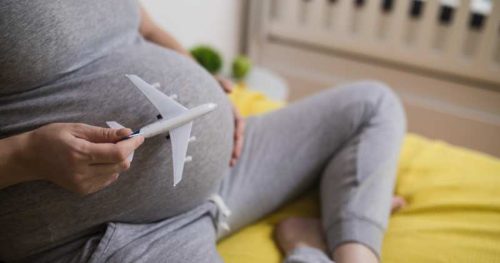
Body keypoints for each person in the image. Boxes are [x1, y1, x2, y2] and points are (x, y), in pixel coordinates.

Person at [0, 1, 406, 262]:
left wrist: (204, 81)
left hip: (225, 171)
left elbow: (142, 25)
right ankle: (309, 249)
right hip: (112, 235)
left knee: (372, 106)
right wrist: (25, 154)